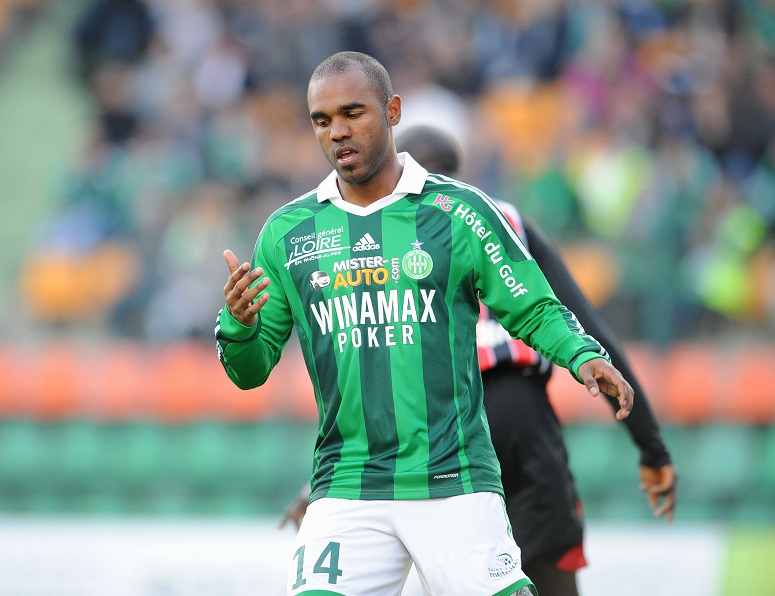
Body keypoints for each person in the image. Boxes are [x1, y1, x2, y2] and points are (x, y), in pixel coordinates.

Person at [216, 51, 634, 596]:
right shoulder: (288, 232)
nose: (337, 132)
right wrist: (240, 326)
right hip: (348, 485)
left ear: (392, 111)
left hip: (453, 481)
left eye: (353, 113)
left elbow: (532, 306)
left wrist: (582, 354)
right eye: (322, 120)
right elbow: (249, 372)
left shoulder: (461, 212)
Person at [279, 125, 678, 595]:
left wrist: (317, 489)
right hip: (515, 412)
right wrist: (651, 447)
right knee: (542, 572)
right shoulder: (501, 217)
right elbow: (587, 326)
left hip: (433, 421)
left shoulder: (370, 229)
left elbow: (372, 377)